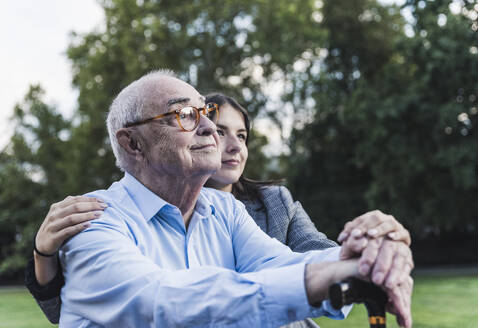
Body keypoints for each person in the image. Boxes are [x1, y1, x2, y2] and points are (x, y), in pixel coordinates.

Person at [26, 70, 413, 327]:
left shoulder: (224, 210)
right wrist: (326, 277)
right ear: (133, 143)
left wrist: (372, 254)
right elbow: (160, 304)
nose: (211, 128)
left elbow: (283, 263)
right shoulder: (93, 218)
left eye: (205, 113)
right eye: (185, 116)